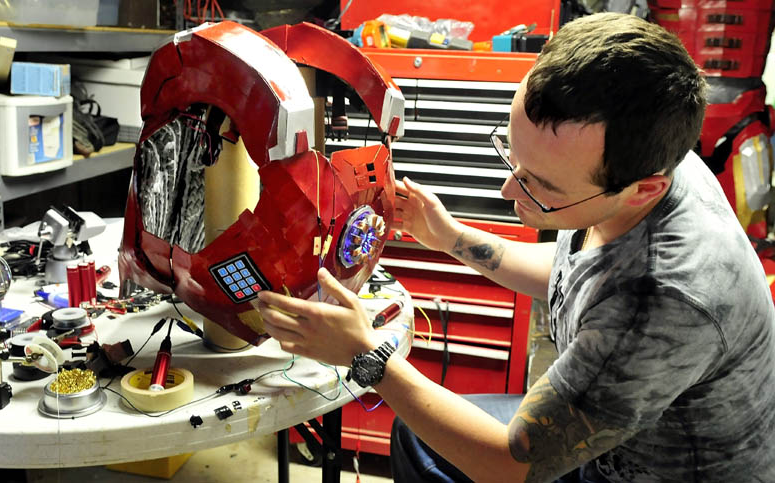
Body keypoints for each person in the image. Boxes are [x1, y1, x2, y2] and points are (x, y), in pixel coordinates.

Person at [258, 12, 775, 482]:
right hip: (618, 434)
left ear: (644, 189)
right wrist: (452, 238)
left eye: (542, 186)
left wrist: (367, 356)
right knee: (417, 436)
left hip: (652, 472)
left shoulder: (660, 303)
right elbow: (582, 270)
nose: (509, 191)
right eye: (513, 156)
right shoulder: (648, 152)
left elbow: (509, 467)